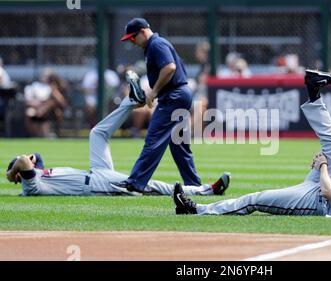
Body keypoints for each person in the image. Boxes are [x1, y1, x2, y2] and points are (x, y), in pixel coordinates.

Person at [173, 69, 331, 216]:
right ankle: (314, 91)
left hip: (316, 202)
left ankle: (195, 210)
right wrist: (329, 168)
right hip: (320, 189)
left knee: (254, 199)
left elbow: (329, 193)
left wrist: (323, 167)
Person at [5, 96, 230, 197]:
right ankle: (206, 190)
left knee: (97, 134)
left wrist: (30, 159)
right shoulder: (31, 187)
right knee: (149, 186)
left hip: (96, 172)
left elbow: (34, 156)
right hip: (96, 185)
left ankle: (131, 101)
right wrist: (11, 172)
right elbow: (23, 161)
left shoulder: (37, 176)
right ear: (19, 177)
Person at [112, 18, 208, 193]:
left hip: (174, 96)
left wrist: (154, 91)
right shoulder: (153, 45)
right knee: (179, 144)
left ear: (142, 32)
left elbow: (170, 67)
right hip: (179, 95)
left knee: (154, 139)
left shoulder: (156, 44)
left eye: (133, 38)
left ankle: (135, 183)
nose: (132, 42)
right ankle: (194, 185)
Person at [24, 69, 68, 137]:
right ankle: (34, 134)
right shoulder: (36, 86)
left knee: (51, 103)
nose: (44, 78)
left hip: (52, 112)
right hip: (37, 109)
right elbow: (28, 100)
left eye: (47, 77)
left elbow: (62, 103)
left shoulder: (56, 88)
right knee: (30, 113)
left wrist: (54, 91)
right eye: (44, 76)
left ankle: (40, 114)